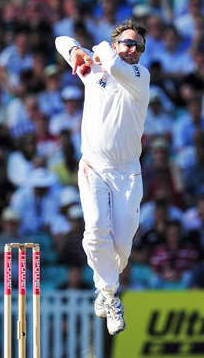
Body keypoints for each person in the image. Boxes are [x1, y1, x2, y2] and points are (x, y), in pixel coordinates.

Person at [55, 19, 150, 335]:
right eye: (127, 43)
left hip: (128, 173)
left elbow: (110, 62)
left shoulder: (139, 75)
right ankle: (110, 296)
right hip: (93, 166)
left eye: (138, 45)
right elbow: (60, 39)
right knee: (95, 229)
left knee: (121, 247)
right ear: (116, 45)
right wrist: (74, 51)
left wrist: (93, 51)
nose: (133, 49)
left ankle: (104, 287)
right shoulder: (94, 71)